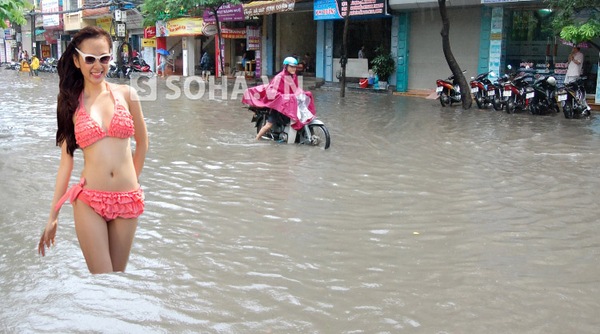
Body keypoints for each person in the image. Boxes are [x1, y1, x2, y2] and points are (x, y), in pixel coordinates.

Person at [37, 26, 149, 274]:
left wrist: (132, 183)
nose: (97, 66)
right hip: (89, 201)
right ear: (77, 60)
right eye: (90, 59)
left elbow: (142, 143)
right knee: (103, 279)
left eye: (104, 58)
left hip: (128, 201)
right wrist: (52, 215)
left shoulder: (127, 95)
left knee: (117, 282)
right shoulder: (69, 104)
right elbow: (66, 162)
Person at [255, 56, 300, 140]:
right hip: (277, 104)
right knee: (269, 124)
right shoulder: (279, 77)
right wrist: (281, 97)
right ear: (286, 67)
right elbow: (271, 91)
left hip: (289, 103)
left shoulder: (294, 77)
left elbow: (296, 89)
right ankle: (256, 138)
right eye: (291, 67)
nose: (294, 69)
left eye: (295, 67)